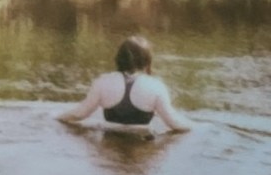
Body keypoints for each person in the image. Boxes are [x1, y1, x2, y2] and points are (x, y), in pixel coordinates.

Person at [57, 35, 192, 133]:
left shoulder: (103, 81)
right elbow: (174, 124)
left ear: (119, 58)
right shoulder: (156, 86)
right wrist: (196, 127)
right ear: (147, 61)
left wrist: (56, 117)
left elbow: (79, 114)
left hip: (110, 143)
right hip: (142, 145)